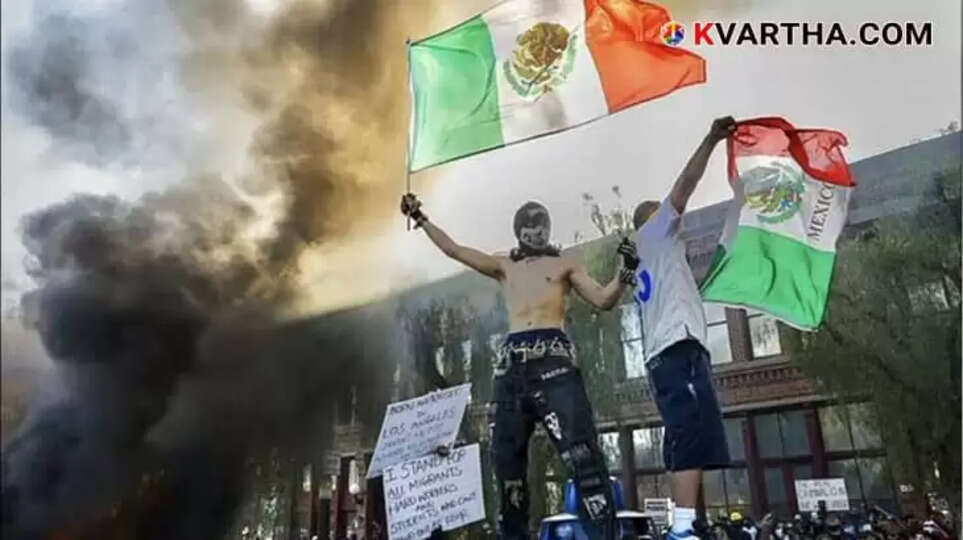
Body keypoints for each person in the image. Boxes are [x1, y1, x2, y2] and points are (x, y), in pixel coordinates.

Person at [401, 195, 637, 540]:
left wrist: (625, 272)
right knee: (506, 463)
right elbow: (455, 250)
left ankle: (603, 533)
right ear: (519, 230)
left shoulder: (564, 264)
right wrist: (420, 217)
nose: (537, 230)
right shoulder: (504, 266)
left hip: (554, 364)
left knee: (582, 455)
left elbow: (603, 299)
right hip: (512, 367)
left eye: (542, 223)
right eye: (530, 224)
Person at [629, 116, 736, 540]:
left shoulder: (645, 257)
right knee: (687, 434)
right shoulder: (655, 234)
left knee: (692, 437)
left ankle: (688, 524)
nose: (677, 218)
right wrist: (710, 139)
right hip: (676, 348)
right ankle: (682, 529)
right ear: (652, 218)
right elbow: (685, 186)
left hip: (676, 350)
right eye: (666, 213)